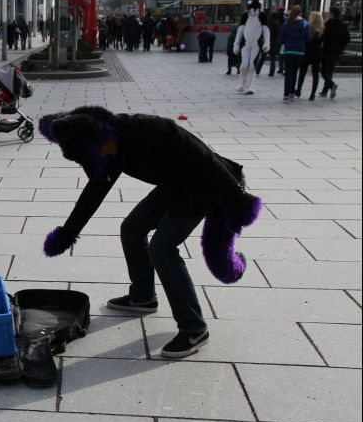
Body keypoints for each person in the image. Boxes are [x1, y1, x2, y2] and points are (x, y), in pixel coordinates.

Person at [39, 106, 263, 359]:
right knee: (131, 228)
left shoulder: (148, 128)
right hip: (174, 183)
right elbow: (95, 190)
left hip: (204, 183)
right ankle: (143, 296)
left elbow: (203, 156)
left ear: (102, 139)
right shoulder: (104, 150)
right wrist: (68, 233)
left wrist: (238, 199)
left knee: (162, 249)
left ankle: (194, 328)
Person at [232, 0, 270, 94]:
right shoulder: (245, 16)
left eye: (256, 9)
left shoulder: (262, 16)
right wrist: (236, 44)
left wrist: (267, 42)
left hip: (256, 44)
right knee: (244, 66)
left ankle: (248, 86)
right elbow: (240, 30)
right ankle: (243, 84)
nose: (254, 11)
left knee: (252, 66)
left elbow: (265, 29)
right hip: (246, 44)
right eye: (252, 9)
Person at [279, 5, 309, 103]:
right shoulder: (305, 24)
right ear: (300, 13)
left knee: (288, 73)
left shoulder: (286, 25)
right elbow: (308, 39)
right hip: (299, 52)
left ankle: (286, 95)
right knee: (295, 72)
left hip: (288, 51)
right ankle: (292, 93)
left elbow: (281, 40)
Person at [319, 6, 350, 99]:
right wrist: (342, 47)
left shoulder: (329, 24)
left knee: (324, 71)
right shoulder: (343, 25)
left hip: (328, 50)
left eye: (329, 13)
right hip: (337, 51)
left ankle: (332, 85)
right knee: (330, 70)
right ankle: (325, 91)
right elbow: (347, 38)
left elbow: (323, 37)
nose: (328, 15)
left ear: (332, 14)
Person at [295, 11, 324, 101]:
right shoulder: (322, 30)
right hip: (317, 54)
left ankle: (298, 90)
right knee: (315, 75)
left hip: (307, 53)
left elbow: (304, 40)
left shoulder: (308, 28)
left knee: (302, 73)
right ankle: (312, 94)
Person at [265, 10, 281, 76]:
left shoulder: (270, 24)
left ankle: (271, 71)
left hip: (271, 41)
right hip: (276, 42)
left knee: (271, 57)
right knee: (273, 57)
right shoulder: (278, 23)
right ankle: (272, 71)